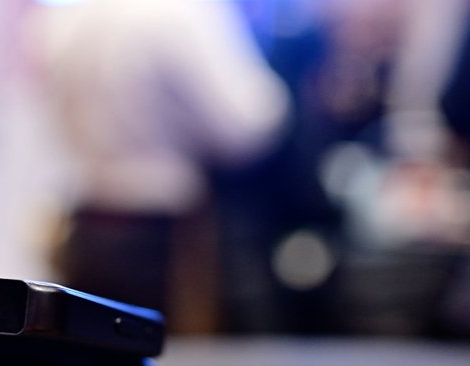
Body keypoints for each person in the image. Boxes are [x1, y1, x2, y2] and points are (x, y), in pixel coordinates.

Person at [33, 0, 289, 311]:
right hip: (162, 236)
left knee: (94, 348)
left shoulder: (68, 18)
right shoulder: (180, 13)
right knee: (175, 353)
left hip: (88, 228)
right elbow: (246, 128)